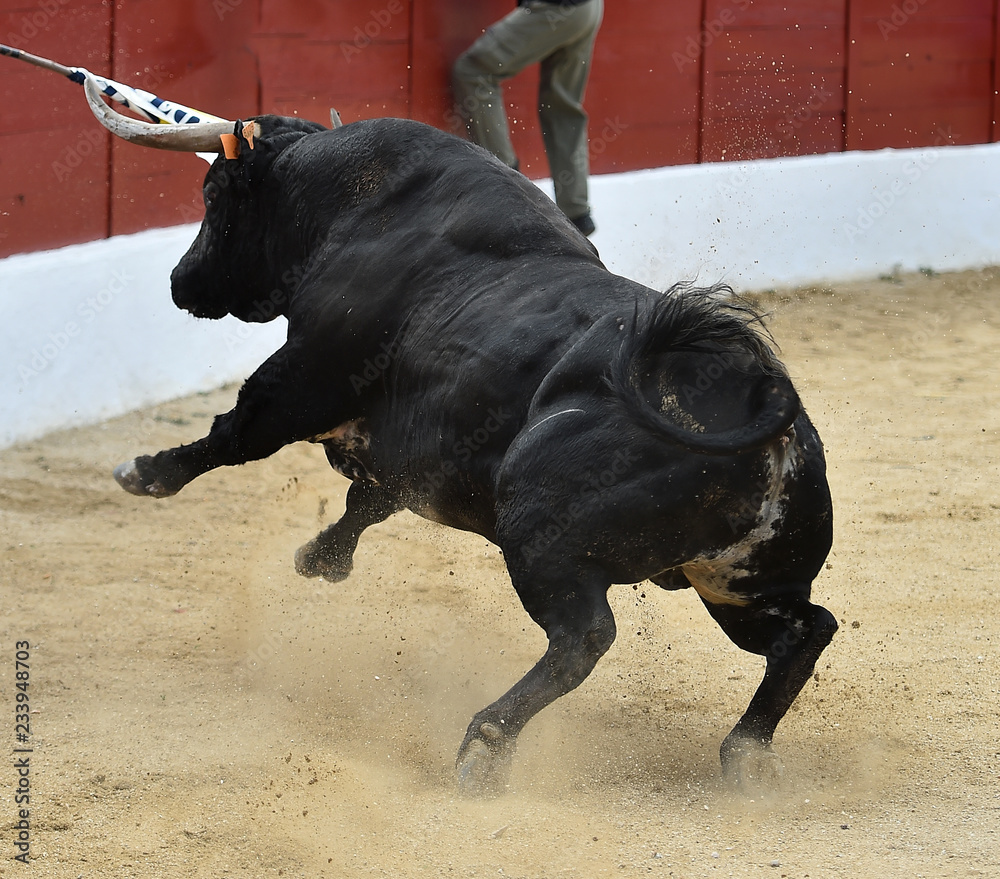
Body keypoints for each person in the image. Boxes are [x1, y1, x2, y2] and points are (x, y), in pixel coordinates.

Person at [452, 0, 604, 236]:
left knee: (473, 71)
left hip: (556, 7)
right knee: (562, 106)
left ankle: (507, 184)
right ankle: (576, 213)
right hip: (588, 8)